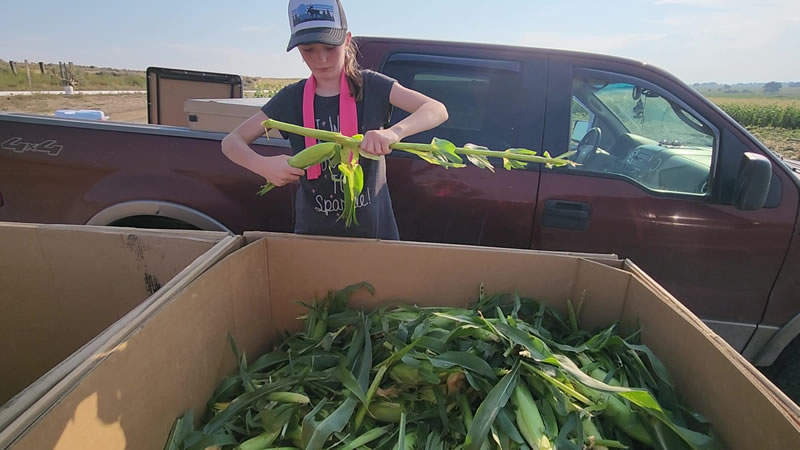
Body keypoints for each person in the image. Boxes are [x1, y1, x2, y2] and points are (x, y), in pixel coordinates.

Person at [221, 0, 448, 240]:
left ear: (347, 40)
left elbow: (436, 109)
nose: (321, 59)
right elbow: (231, 142)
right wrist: (262, 165)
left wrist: (394, 133)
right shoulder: (291, 97)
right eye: (308, 50)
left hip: (375, 235)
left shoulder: (372, 86)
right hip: (313, 235)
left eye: (330, 47)